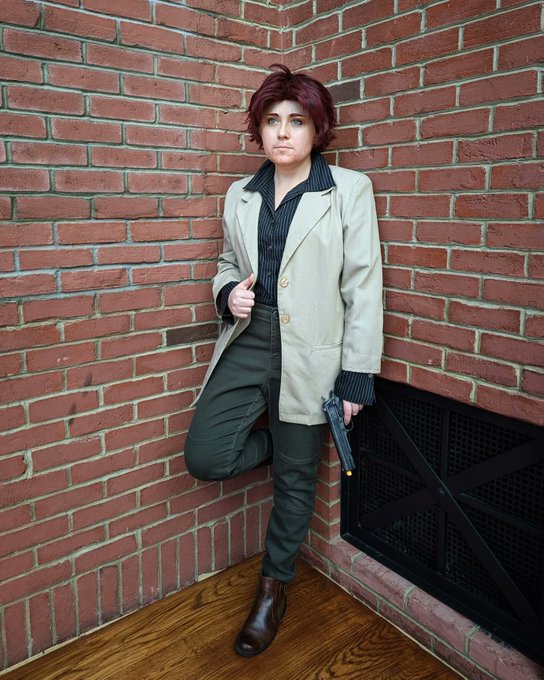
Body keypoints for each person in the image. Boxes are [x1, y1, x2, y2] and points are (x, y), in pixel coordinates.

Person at [184, 64, 383, 657]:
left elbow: (364, 285)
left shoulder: (349, 190)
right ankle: (285, 443)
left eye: (297, 121)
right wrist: (227, 292)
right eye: (272, 121)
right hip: (250, 339)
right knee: (206, 455)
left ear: (318, 129)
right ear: (259, 130)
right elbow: (226, 260)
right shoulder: (239, 194)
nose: (283, 132)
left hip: (314, 351)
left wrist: (355, 376)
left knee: (296, 481)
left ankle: (273, 589)